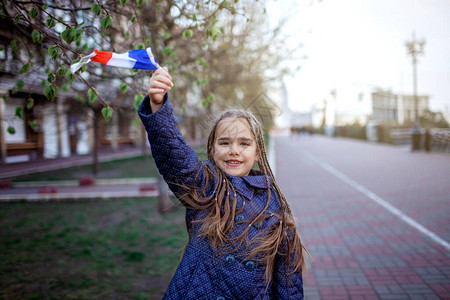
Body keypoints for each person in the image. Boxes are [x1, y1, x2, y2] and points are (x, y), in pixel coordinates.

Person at [138, 67, 307, 299]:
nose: (233, 151)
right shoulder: (205, 185)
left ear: (258, 152)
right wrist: (158, 105)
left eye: (244, 143)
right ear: (212, 150)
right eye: (224, 143)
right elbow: (174, 155)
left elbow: (288, 279)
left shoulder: (273, 202)